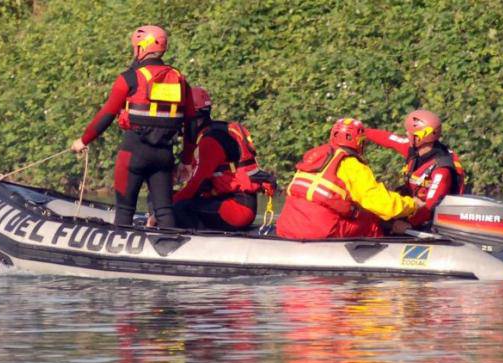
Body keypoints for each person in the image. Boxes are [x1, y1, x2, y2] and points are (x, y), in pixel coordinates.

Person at [70, 25, 195, 228]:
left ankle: (120, 253)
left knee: (125, 209)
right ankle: (168, 251)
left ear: (141, 48)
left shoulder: (128, 78)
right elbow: (191, 123)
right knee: (164, 210)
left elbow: (106, 115)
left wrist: (83, 141)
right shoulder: (180, 79)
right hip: (164, 155)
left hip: (133, 154)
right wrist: (187, 160)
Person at [276, 118, 423, 239]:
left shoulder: (314, 157)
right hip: (320, 231)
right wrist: (412, 205)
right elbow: (383, 205)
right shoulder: (353, 166)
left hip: (286, 226)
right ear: (359, 142)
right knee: (373, 220)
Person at [172, 87, 276, 231]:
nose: (182, 126)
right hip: (230, 202)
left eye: (183, 120)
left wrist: (166, 209)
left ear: (194, 117)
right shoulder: (215, 132)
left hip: (236, 209)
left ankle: (196, 240)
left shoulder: (210, 141)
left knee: (179, 207)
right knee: (172, 200)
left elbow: (196, 184)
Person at [364, 109, 465, 233]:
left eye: (409, 132)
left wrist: (407, 223)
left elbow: (430, 207)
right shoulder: (414, 148)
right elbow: (389, 139)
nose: (406, 134)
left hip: (429, 222)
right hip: (414, 208)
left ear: (419, 138)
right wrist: (361, 131)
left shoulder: (442, 170)